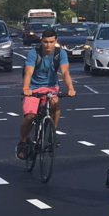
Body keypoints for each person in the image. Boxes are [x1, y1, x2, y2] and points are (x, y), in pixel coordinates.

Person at [17, 28, 76, 160]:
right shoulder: (34, 53)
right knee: (30, 116)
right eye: (45, 42)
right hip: (33, 88)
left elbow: (65, 72)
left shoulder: (60, 53)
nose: (48, 45)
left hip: (51, 87)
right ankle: (23, 141)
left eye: (51, 42)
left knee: (55, 103)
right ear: (41, 41)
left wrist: (70, 88)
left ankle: (52, 133)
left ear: (55, 41)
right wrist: (26, 88)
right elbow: (28, 72)